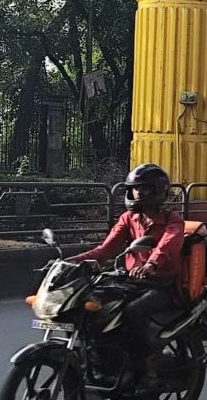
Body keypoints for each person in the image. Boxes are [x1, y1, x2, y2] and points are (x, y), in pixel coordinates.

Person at [71, 163, 184, 386]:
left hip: (161, 285)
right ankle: (101, 361)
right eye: (134, 189)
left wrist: (151, 264)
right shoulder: (128, 219)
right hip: (131, 281)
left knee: (133, 313)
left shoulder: (173, 220)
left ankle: (147, 369)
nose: (137, 193)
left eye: (143, 188)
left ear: (158, 190)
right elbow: (104, 250)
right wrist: (70, 262)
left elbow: (168, 245)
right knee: (91, 304)